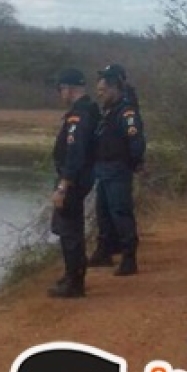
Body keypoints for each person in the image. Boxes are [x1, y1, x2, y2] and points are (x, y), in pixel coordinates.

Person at [86, 64, 146, 276]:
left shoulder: (126, 112)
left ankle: (129, 258)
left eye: (103, 90)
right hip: (103, 168)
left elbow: (136, 142)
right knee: (103, 212)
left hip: (118, 168)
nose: (100, 94)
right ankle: (104, 251)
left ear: (114, 88)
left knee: (120, 212)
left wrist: (133, 163)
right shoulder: (109, 110)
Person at [47, 67, 99, 299]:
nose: (61, 94)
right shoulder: (87, 110)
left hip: (74, 179)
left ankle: (74, 282)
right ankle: (72, 275)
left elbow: (75, 152)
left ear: (68, 89)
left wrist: (63, 185)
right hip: (80, 177)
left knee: (69, 230)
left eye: (61, 89)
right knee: (69, 227)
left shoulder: (80, 114)